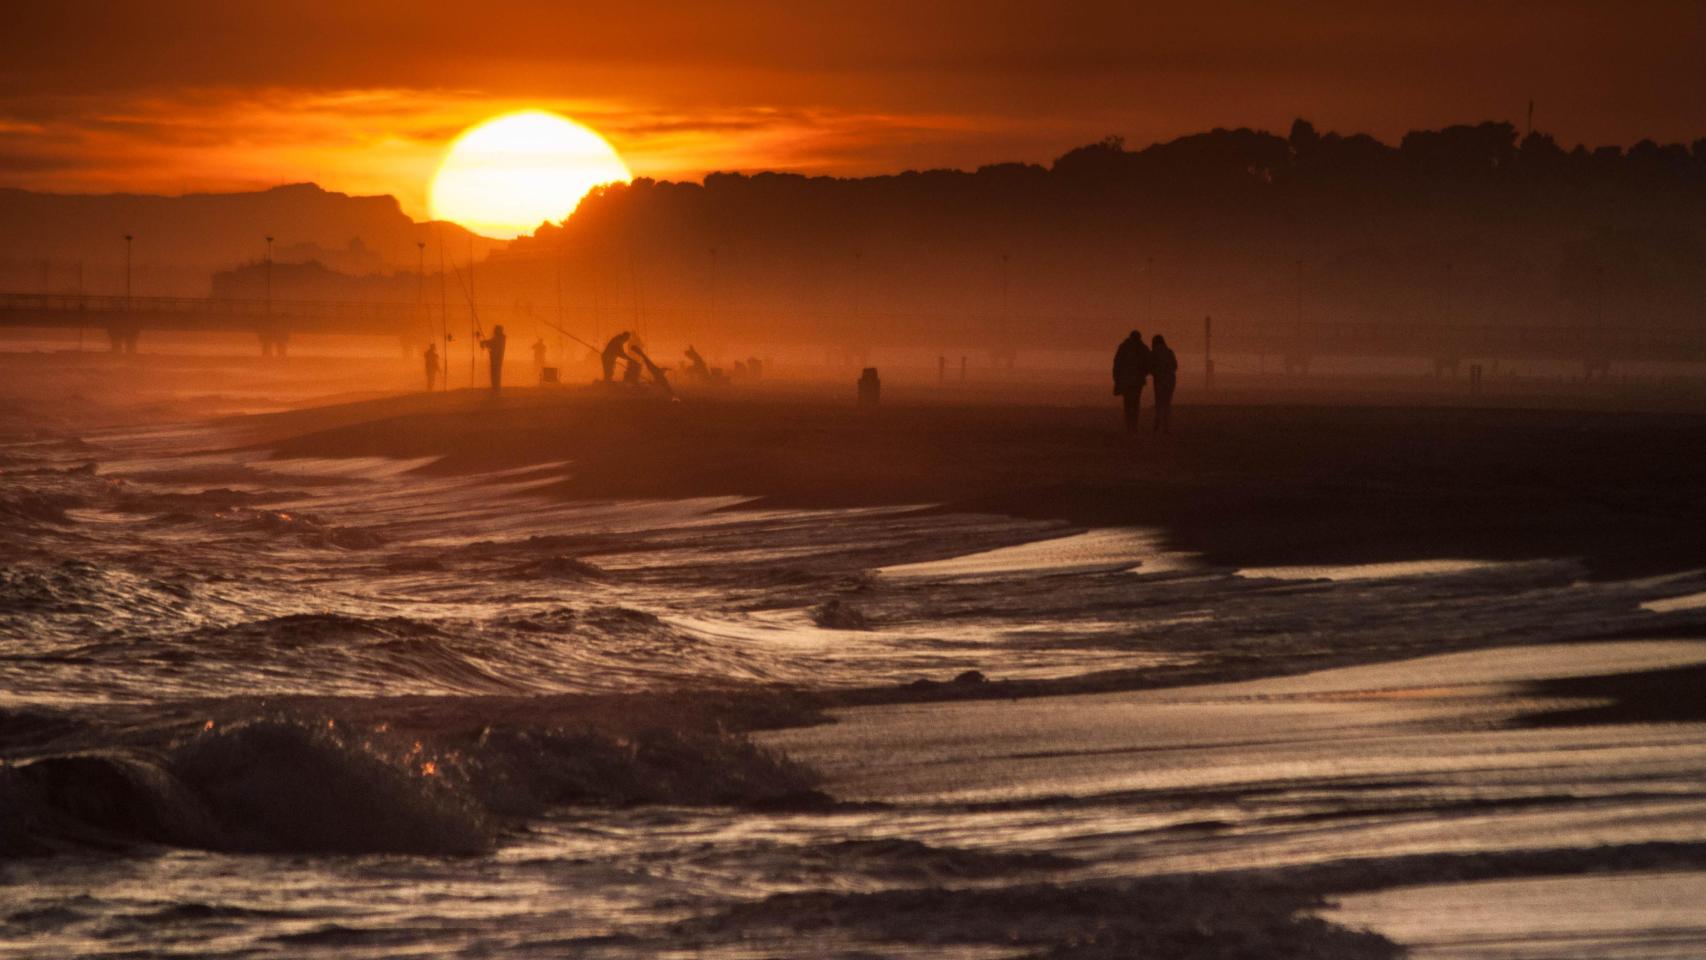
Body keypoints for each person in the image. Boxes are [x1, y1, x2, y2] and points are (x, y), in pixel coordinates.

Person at [1111, 330, 1152, 433]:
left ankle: (1129, 425)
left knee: (1128, 403)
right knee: (1135, 402)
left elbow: (1117, 364)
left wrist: (1117, 379)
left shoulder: (1124, 347)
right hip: (1137, 381)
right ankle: (1134, 425)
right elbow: (1148, 364)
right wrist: (1143, 374)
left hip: (1125, 380)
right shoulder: (1142, 348)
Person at [1150, 334, 1178, 433]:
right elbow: (1175, 366)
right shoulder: (1169, 351)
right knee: (1167, 403)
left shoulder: (1154, 353)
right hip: (1170, 379)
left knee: (1159, 402)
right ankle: (1167, 426)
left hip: (1159, 379)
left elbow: (1150, 367)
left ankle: (1157, 423)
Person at [479, 324, 507, 394]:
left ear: (499, 330)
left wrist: (484, 342)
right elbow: (491, 343)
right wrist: (485, 343)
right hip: (495, 358)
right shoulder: (499, 338)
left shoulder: (500, 338)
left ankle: (496, 388)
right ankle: (495, 387)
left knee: (495, 373)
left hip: (497, 358)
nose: (494, 331)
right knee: (495, 373)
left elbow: (492, 343)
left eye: (496, 329)